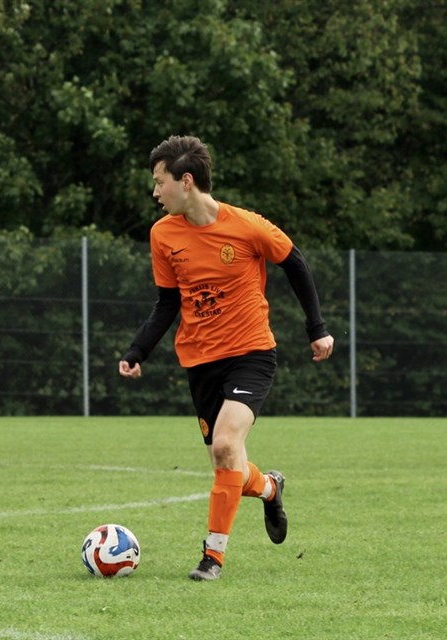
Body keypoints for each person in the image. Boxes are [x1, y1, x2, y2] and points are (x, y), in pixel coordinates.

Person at [118, 135, 334, 581]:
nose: (155, 192)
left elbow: (295, 263)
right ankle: (269, 487)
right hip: (200, 362)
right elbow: (167, 303)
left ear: (186, 181)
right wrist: (139, 350)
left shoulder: (248, 226)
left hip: (251, 353)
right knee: (228, 462)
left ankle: (212, 558)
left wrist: (317, 329)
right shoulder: (163, 235)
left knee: (225, 445)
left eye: (159, 182)